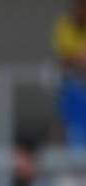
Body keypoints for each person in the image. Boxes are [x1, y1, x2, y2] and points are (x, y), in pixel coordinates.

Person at [53, 0, 86, 147]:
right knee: (73, 127)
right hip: (72, 83)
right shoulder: (65, 24)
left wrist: (77, 56)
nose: (82, 10)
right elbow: (65, 58)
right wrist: (78, 57)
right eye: (80, 6)